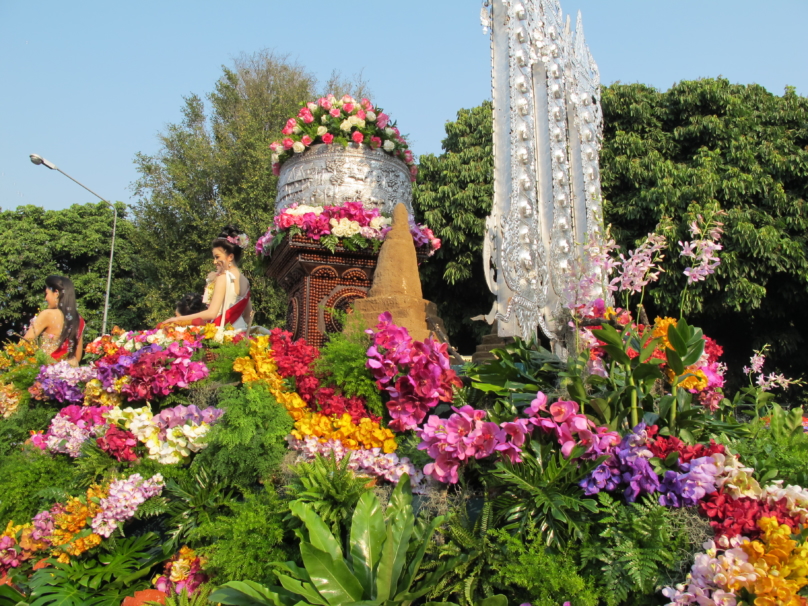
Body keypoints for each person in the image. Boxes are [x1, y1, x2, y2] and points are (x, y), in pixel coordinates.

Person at [163, 226, 252, 334]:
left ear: (230, 257)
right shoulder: (245, 281)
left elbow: (211, 314)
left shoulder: (223, 278)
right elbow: (248, 316)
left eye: (217, 257)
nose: (214, 261)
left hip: (225, 334)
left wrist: (178, 319)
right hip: (240, 333)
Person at [24, 275, 85, 366]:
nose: (45, 298)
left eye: (47, 293)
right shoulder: (79, 320)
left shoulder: (48, 314)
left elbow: (23, 345)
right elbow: (77, 357)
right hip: (68, 374)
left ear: (56, 292)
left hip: (46, 373)